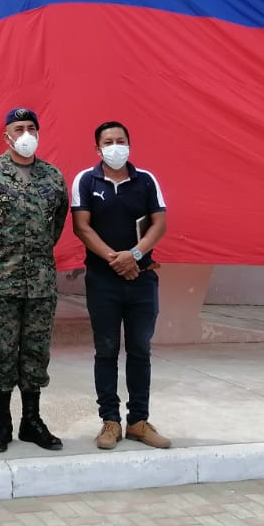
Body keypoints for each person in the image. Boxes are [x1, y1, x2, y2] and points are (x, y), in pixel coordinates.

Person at [0, 107, 68, 453]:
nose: (25, 135)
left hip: (41, 283)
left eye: (31, 129)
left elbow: (56, 226)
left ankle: (32, 421)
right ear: (6, 136)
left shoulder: (53, 177)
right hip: (1, 283)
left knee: (36, 351)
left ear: (38, 133)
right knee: (2, 351)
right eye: (18, 129)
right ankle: (2, 423)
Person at [70, 120, 171, 451]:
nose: (116, 146)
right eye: (108, 142)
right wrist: (116, 259)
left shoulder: (146, 180)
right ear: (97, 148)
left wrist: (135, 255)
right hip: (103, 281)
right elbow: (82, 227)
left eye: (121, 140)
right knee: (106, 350)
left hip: (142, 279)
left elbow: (159, 223)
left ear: (129, 143)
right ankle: (110, 421)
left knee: (140, 349)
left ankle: (138, 421)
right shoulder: (86, 181)